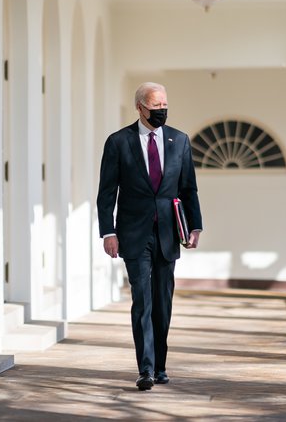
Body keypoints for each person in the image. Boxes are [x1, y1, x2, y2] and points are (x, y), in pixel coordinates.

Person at [96, 81, 203, 391]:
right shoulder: (118, 142)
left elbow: (188, 188)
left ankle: (160, 365)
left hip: (169, 233)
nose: (161, 111)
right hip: (133, 235)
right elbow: (107, 192)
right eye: (155, 107)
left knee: (163, 303)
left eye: (164, 105)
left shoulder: (180, 141)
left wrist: (194, 226)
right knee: (142, 300)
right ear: (140, 108)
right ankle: (145, 369)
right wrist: (108, 232)